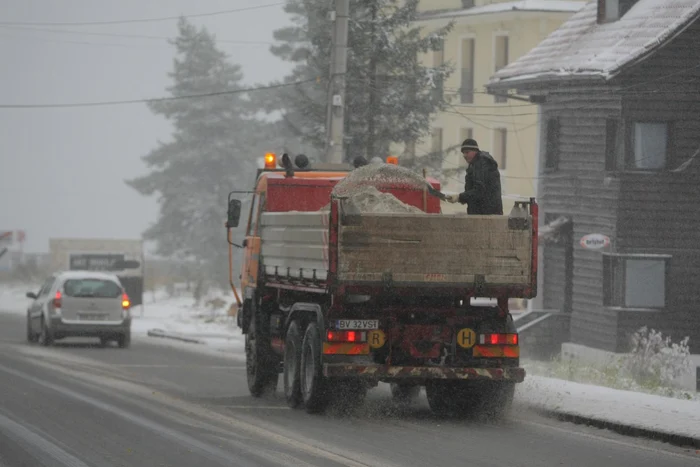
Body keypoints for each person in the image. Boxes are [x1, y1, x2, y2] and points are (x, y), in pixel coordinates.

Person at [446, 138, 503, 215]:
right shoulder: (475, 165)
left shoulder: (481, 163)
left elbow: (479, 191)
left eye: (467, 152)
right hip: (484, 213)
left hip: (485, 214)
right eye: (463, 153)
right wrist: (461, 198)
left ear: (475, 151)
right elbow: (473, 192)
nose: (464, 155)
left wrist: (460, 197)